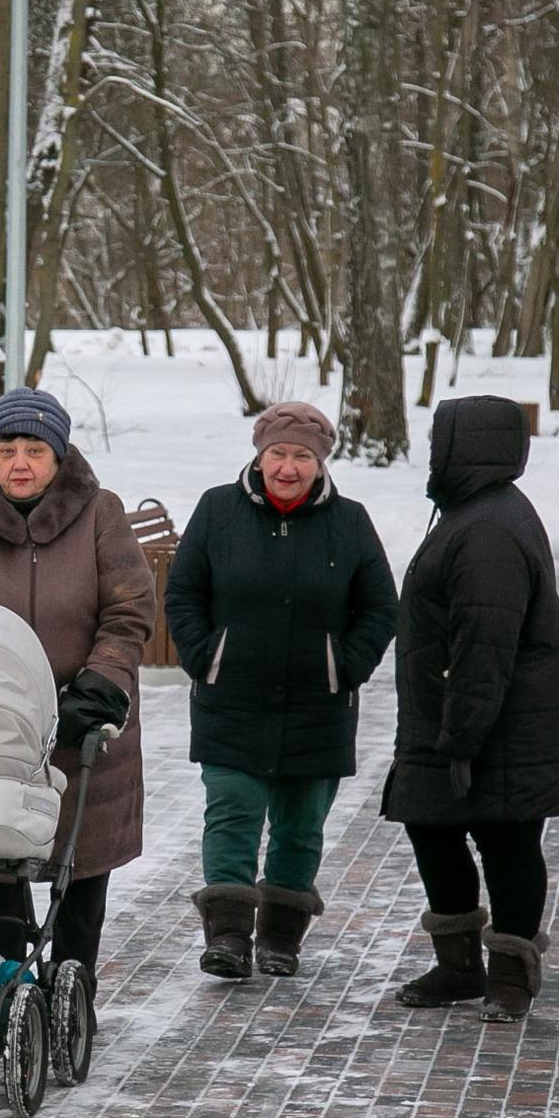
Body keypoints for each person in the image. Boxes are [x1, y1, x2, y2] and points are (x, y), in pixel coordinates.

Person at [0, 387, 154, 976]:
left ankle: (72, 995)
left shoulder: (100, 513)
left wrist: (101, 682)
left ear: (59, 457)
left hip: (82, 724)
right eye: (7, 448)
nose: (20, 463)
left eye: (35, 449)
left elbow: (130, 609)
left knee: (78, 872)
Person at [165, 402, 397, 979]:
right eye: (277, 454)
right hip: (232, 699)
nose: (287, 467)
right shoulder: (218, 511)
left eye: (301, 456)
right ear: (259, 455)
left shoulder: (350, 521)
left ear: (320, 463)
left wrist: (344, 667)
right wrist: (205, 655)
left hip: (318, 705)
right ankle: (227, 937)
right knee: (232, 810)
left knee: (300, 824)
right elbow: (183, 592)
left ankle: (280, 939)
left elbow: (380, 607)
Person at [383, 395, 559, 1022]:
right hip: (456, 715)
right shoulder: (475, 512)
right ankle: (459, 967)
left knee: (506, 840)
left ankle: (509, 975)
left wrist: (462, 738)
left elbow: (485, 643)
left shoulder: (487, 529)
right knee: (431, 824)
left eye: (440, 441)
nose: (431, 453)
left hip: (499, 724)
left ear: (464, 449)